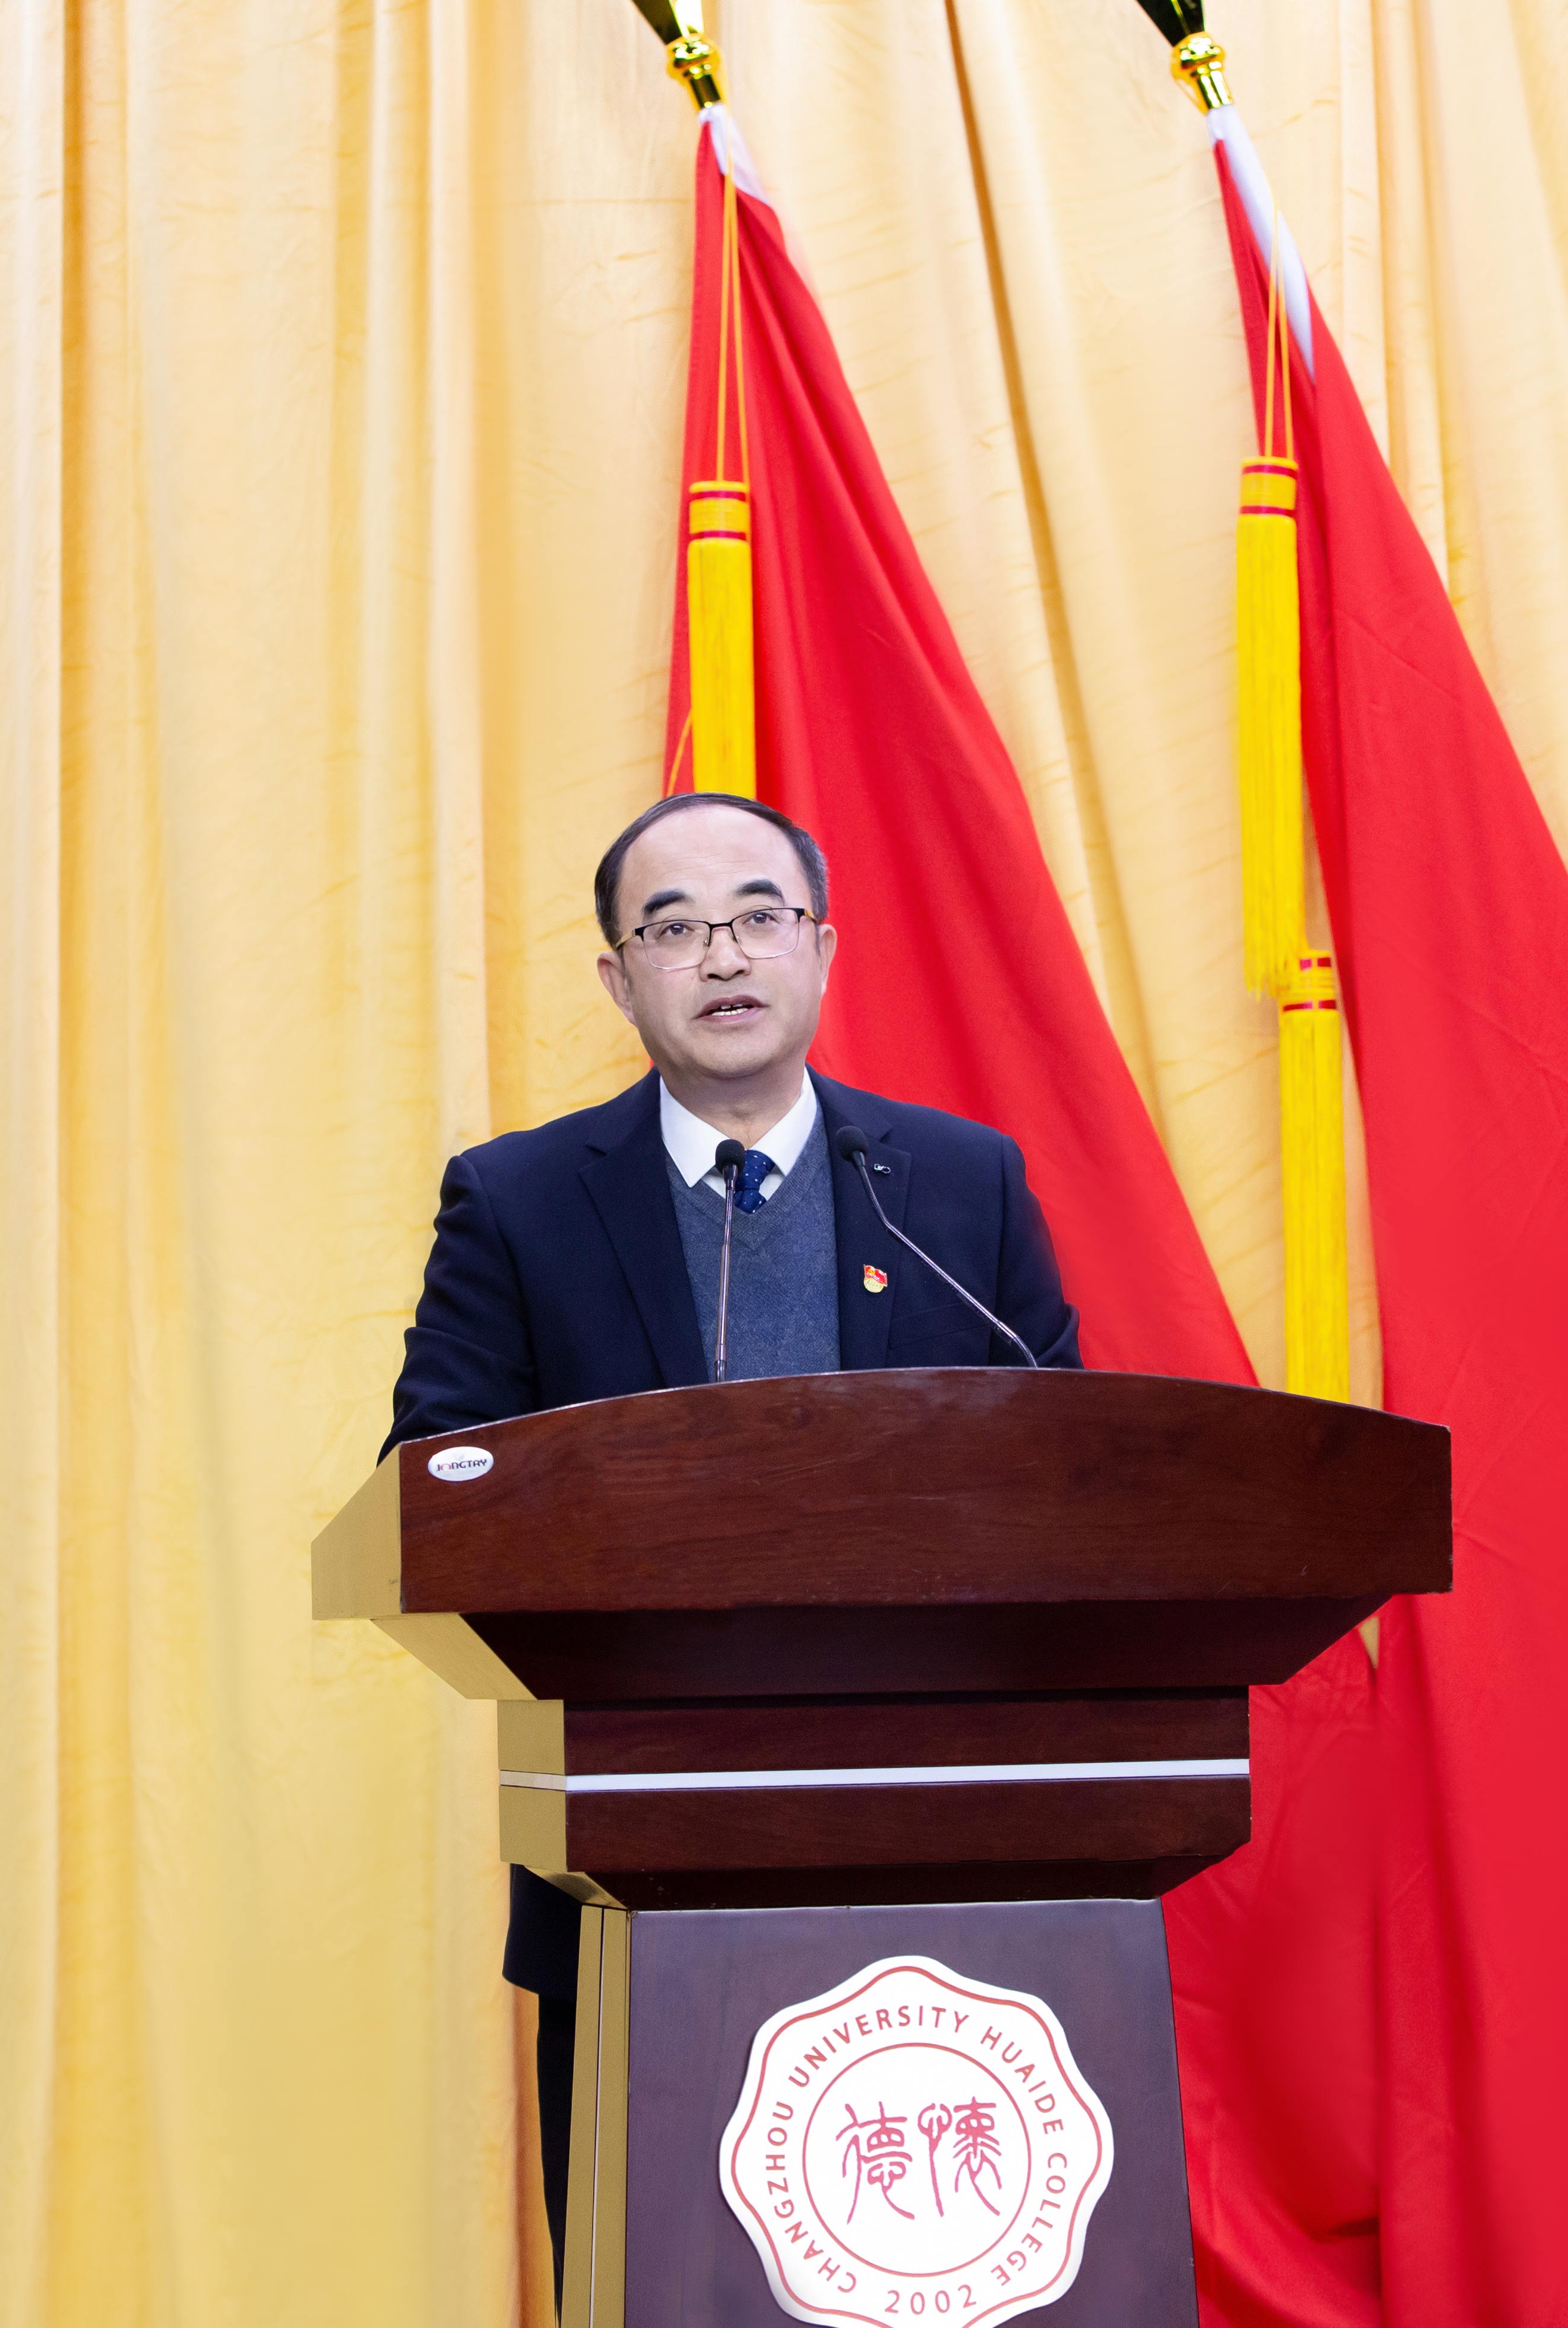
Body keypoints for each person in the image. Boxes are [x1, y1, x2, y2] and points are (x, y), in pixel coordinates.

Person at [382, 789, 1083, 2276]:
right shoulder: (520, 1202)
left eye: (761, 916)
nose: (722, 954)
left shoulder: (961, 1184)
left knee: (923, 2267)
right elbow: (431, 1487)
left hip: (943, 1844)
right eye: (675, 927)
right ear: (617, 977)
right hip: (631, 1853)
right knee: (658, 2273)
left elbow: (1070, 1473)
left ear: (820, 948)